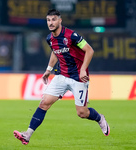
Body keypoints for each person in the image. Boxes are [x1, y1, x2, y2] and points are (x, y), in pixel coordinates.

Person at [13, 9, 110, 145]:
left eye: (53, 20)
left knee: (82, 112)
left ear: (60, 20)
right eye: (48, 20)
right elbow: (55, 52)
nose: (51, 23)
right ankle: (27, 134)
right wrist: (48, 70)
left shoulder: (72, 36)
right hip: (62, 75)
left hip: (78, 77)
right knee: (44, 103)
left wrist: (83, 70)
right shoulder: (50, 38)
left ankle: (99, 118)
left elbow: (89, 50)